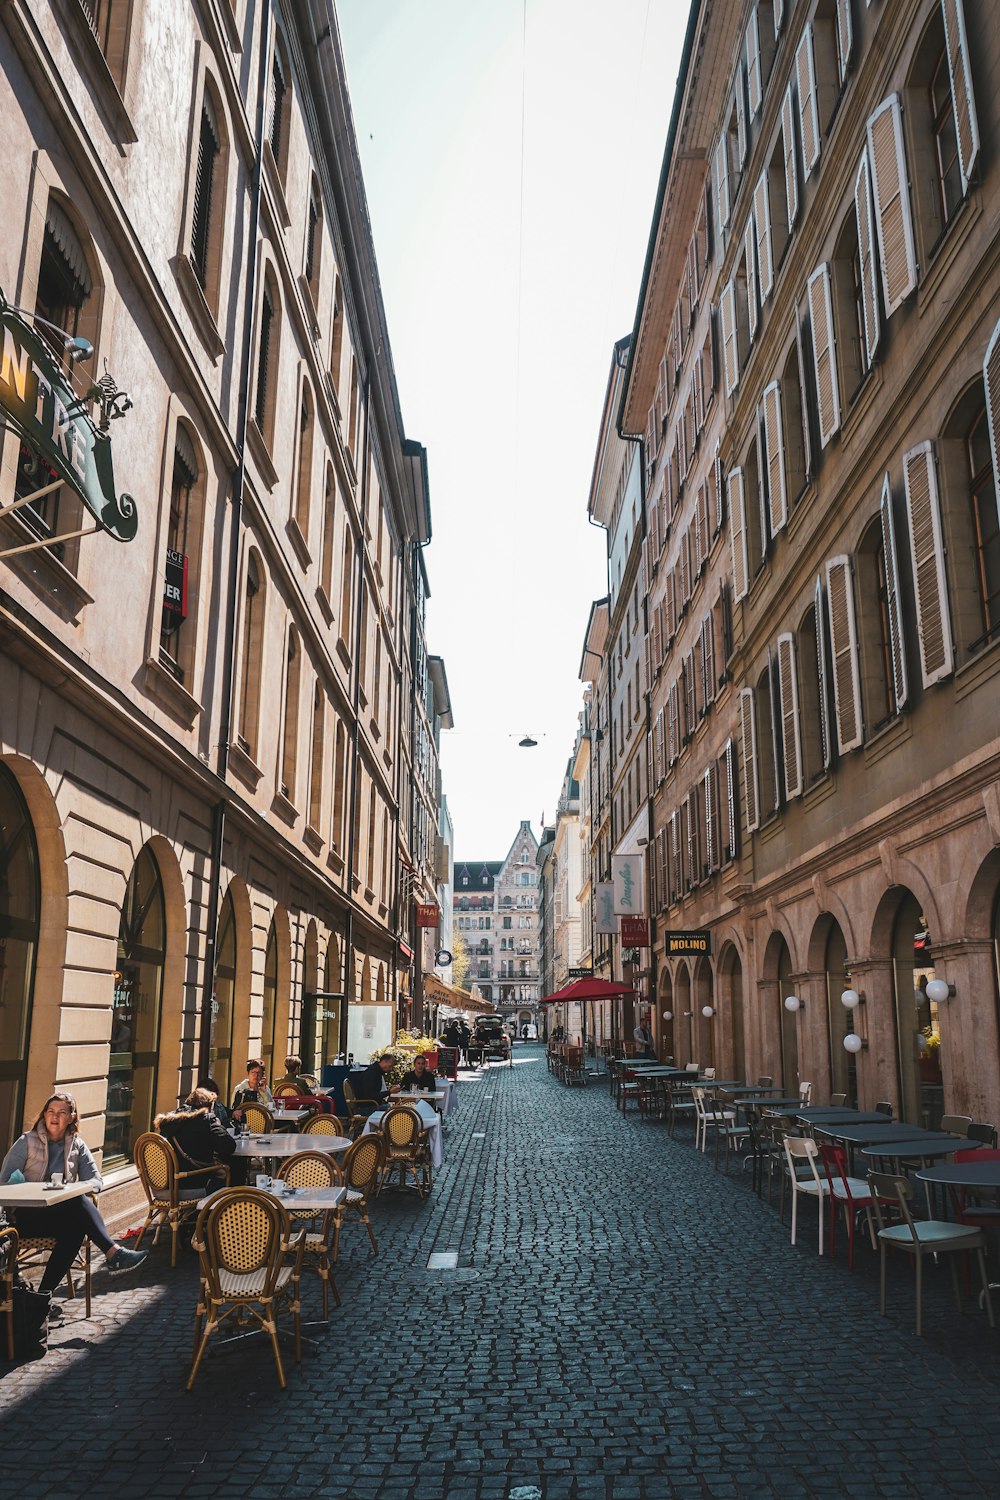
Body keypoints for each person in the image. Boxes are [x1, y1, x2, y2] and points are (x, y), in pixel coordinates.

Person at [0, 1092, 148, 1298]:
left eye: (62, 1112)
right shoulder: (26, 1142)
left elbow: (96, 1182)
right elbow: (3, 1183)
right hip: (22, 1218)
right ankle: (113, 1253)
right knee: (76, 1202)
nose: (55, 1116)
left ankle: (43, 1297)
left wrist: (69, 1189)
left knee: (76, 1228)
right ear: (44, 1115)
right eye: (50, 1111)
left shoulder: (77, 1145)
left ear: (71, 1117)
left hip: (55, 1215)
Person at [155, 1086, 244, 1186]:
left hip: (167, 1184)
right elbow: (229, 1147)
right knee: (231, 1169)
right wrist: (218, 1125)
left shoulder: (169, 1122)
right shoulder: (205, 1120)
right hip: (194, 1182)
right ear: (208, 1107)